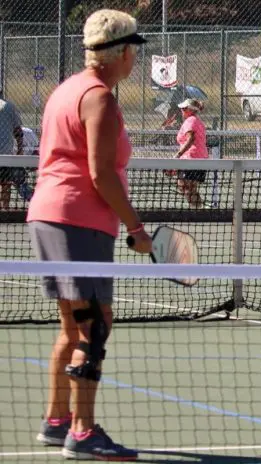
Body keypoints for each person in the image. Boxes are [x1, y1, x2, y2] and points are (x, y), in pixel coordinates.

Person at [27, 9, 151, 460]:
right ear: (121, 54)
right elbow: (101, 173)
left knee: (73, 325)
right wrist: (136, 227)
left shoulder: (67, 89)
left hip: (51, 215)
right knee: (93, 326)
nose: (135, 58)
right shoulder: (99, 97)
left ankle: (58, 421)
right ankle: (82, 431)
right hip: (77, 219)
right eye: (134, 49)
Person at [174, 98, 208, 208]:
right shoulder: (196, 121)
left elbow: (190, 139)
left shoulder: (190, 121)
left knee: (185, 186)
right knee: (189, 188)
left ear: (190, 110)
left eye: (184, 109)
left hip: (191, 159)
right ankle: (198, 210)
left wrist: (178, 155)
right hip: (197, 159)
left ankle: (197, 210)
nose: (181, 111)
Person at [0, 96, 24, 209]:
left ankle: (4, 209)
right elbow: (18, 131)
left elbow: (17, 131)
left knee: (6, 184)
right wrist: (20, 149)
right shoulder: (9, 106)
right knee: (6, 184)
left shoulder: (9, 106)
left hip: (5, 153)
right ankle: (5, 210)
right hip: (6, 154)